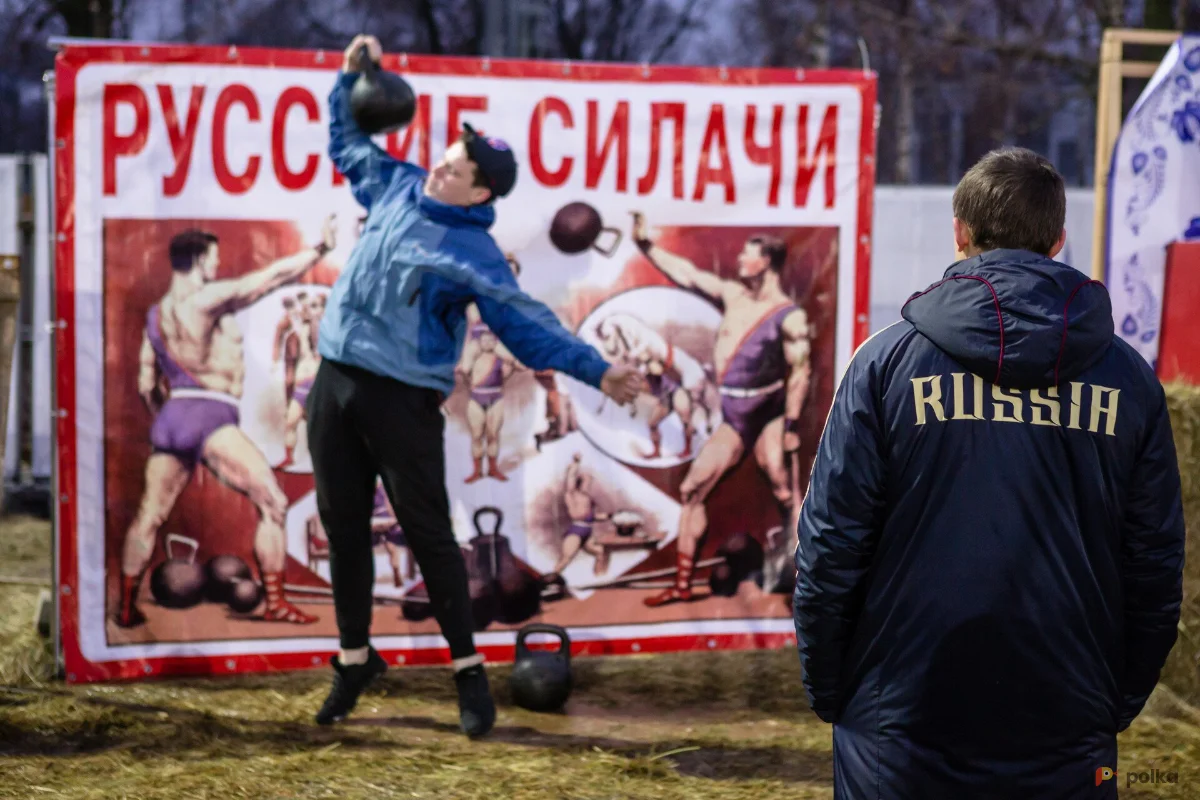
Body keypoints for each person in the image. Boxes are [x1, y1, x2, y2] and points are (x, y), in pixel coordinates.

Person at [793, 147, 1185, 798]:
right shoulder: (1130, 382)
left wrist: (833, 688)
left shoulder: (885, 364)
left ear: (959, 232)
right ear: (1059, 241)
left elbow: (831, 543)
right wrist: (1114, 702)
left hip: (902, 716)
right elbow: (1155, 568)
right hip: (1065, 712)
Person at [307, 35, 645, 737]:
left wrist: (601, 370)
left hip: (402, 401)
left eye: (457, 167)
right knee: (343, 528)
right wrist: (346, 81)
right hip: (334, 383)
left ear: (481, 190)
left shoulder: (476, 255)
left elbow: (529, 328)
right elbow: (346, 143)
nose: (441, 166)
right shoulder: (395, 184)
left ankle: (468, 674)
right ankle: (353, 659)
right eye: (447, 156)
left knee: (432, 536)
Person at [116, 219, 336, 629]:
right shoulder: (204, 299)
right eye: (213, 258)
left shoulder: (156, 315)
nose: (217, 265)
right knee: (274, 503)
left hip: (173, 415)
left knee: (149, 515)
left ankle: (126, 607)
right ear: (199, 260)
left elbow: (147, 383)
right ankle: (275, 603)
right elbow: (266, 280)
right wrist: (319, 250)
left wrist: (170, 420)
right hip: (210, 413)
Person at [629, 212, 811, 607]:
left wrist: (792, 422)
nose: (740, 262)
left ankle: (807, 579)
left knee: (785, 488)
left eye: (748, 256)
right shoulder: (733, 295)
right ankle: (681, 584)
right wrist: (645, 245)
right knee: (693, 487)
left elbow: (800, 371)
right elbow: (688, 274)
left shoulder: (788, 315)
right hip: (733, 414)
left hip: (770, 414)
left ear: (766, 262)